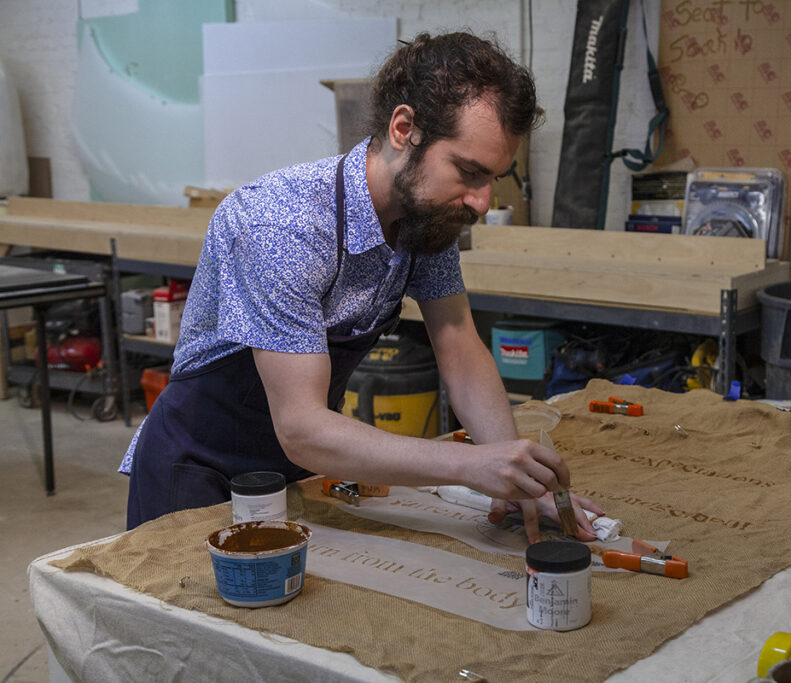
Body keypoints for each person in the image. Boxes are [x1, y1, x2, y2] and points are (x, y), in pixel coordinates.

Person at [121, 31, 601, 542]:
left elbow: (459, 342)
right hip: (199, 469)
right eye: (468, 171)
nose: (482, 202)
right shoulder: (282, 226)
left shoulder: (425, 222)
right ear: (404, 129)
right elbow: (302, 426)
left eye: (494, 180)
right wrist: (467, 464)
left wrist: (516, 478)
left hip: (298, 467)